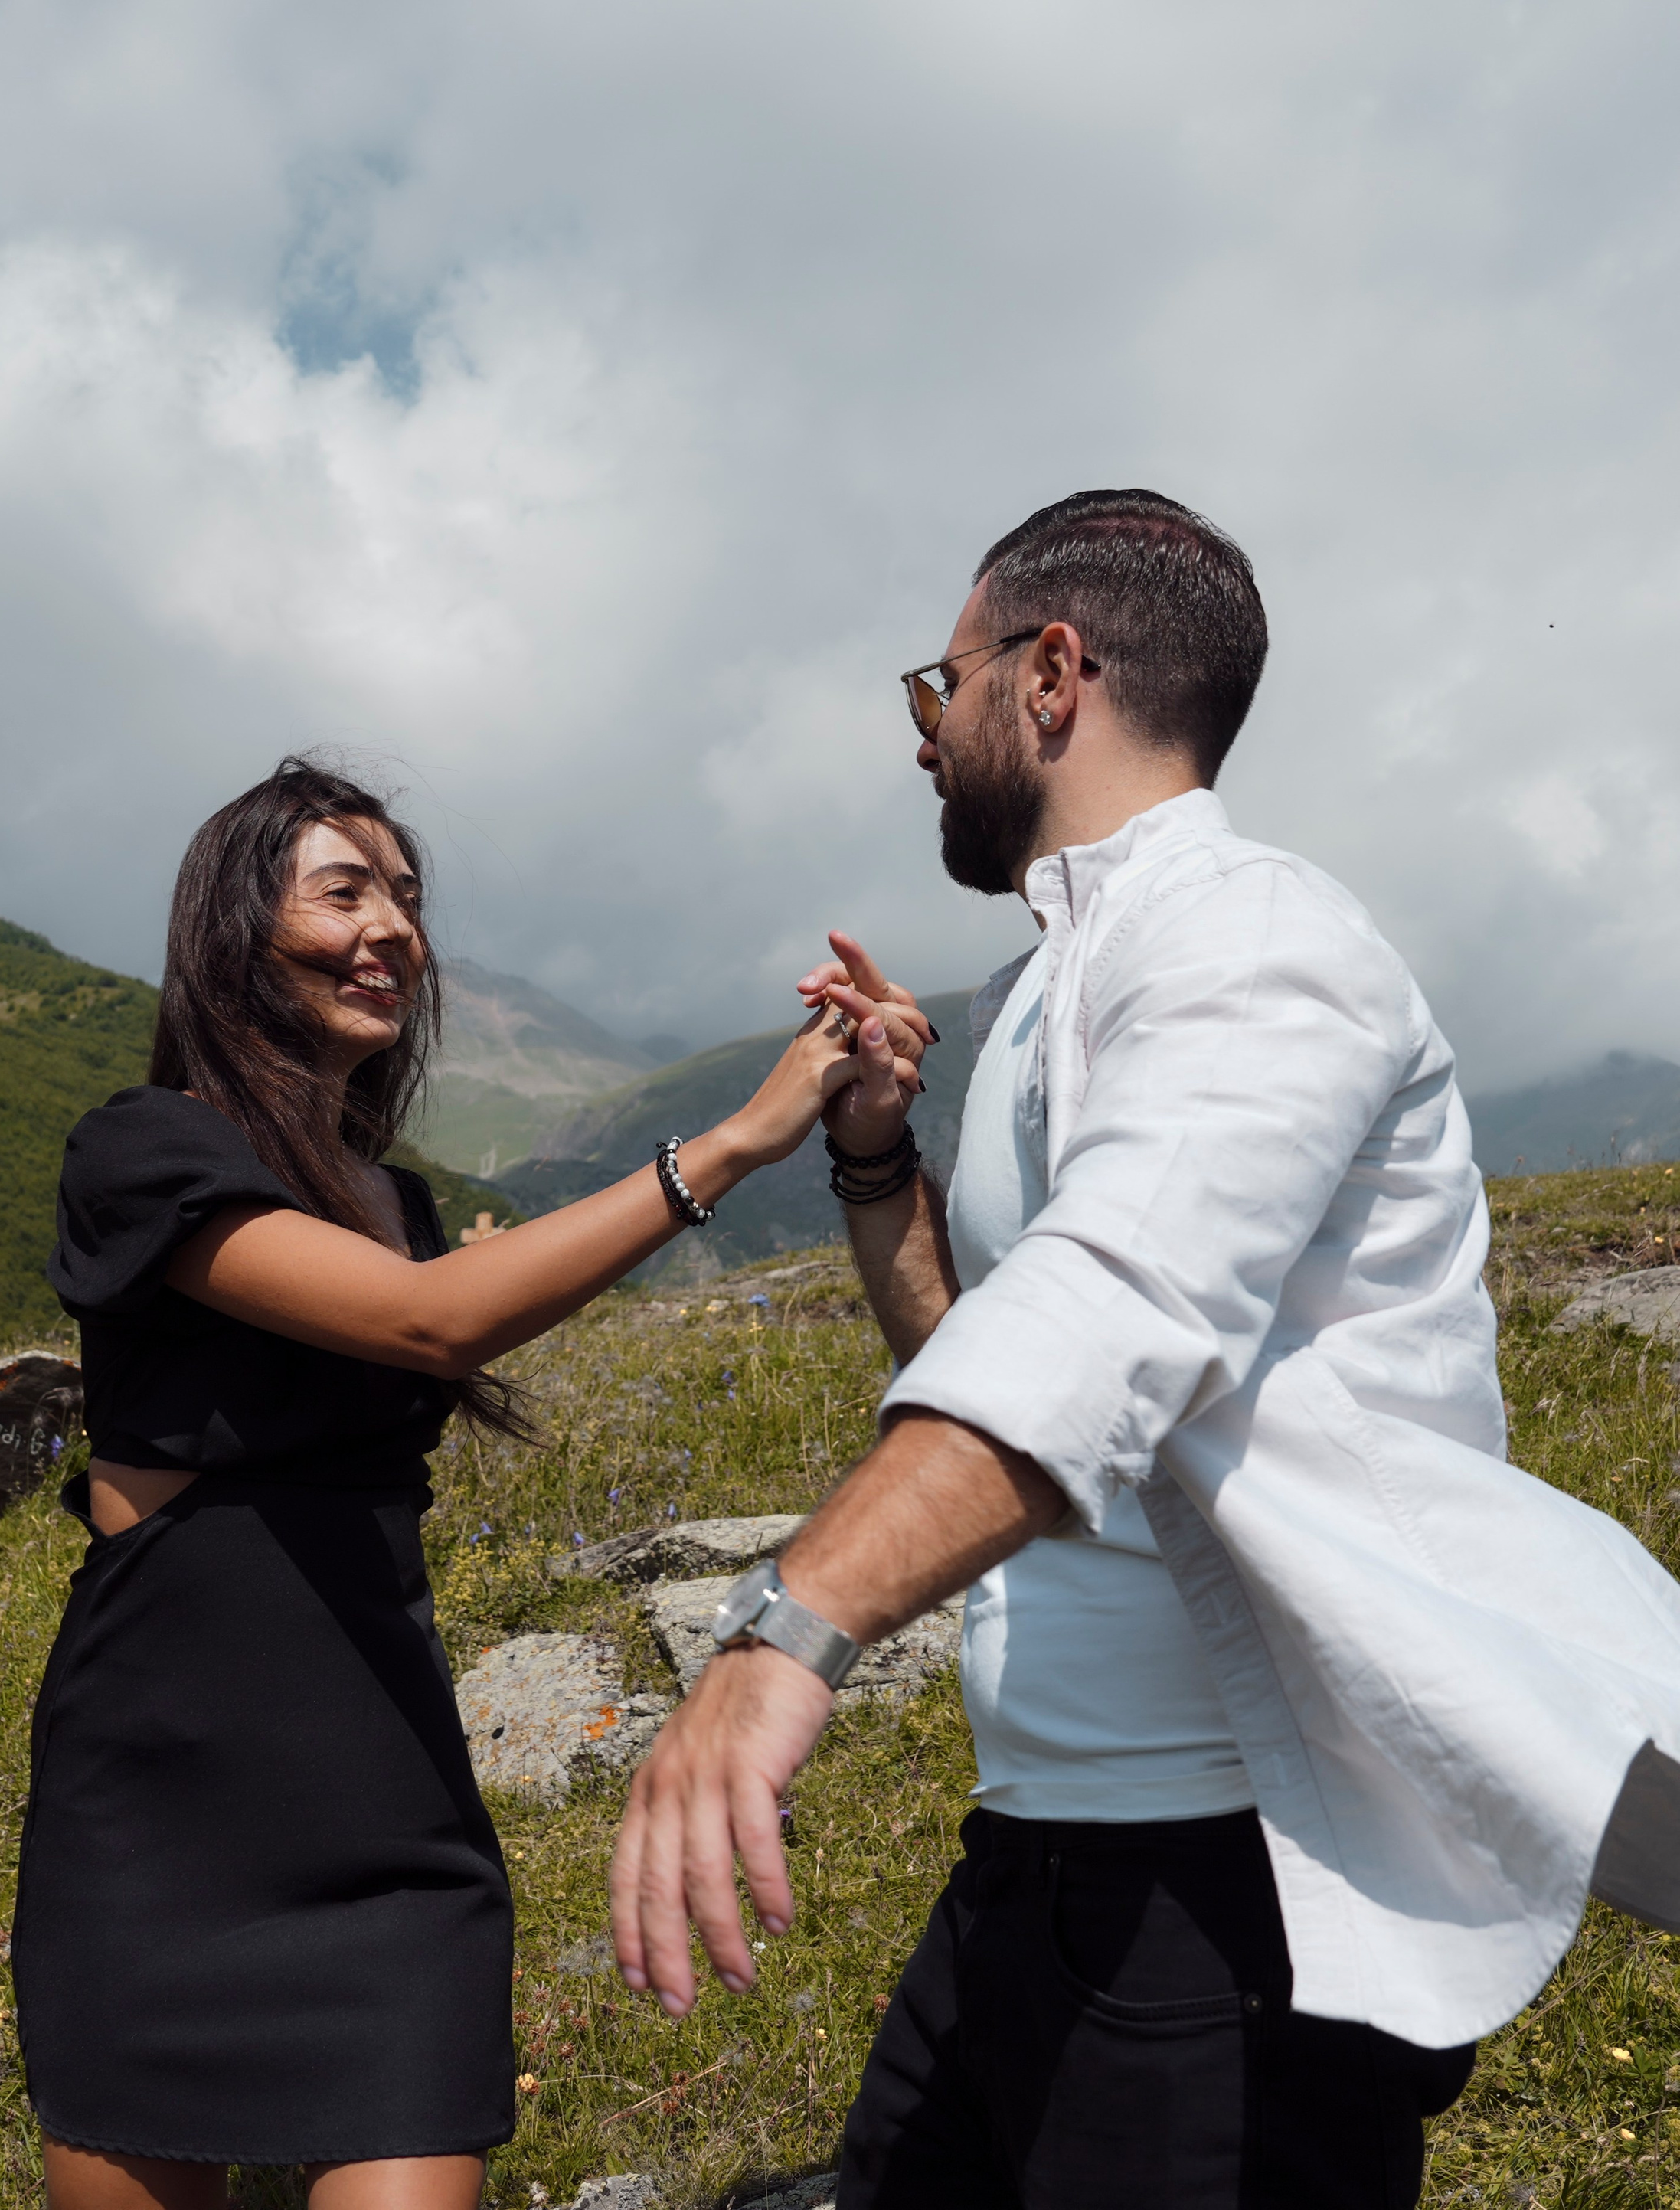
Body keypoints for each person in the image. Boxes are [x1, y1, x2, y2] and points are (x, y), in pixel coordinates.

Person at [610, 489, 1680, 2208]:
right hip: (1048, 1842)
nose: (919, 741)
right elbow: (998, 1359)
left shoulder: (1252, 939)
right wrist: (878, 1155)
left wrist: (785, 1629)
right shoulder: (1050, 982)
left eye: (929, 686)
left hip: (1228, 1882)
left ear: (1048, 674)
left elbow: (1108, 1323)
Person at [15, 757, 902, 2210]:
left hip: (385, 1804)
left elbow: (443, 1301)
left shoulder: (393, 1198)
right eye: (344, 892)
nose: (393, 932)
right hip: (165, 1807)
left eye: (409, 901)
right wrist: (733, 1146)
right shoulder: (145, 1149)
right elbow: (433, 1322)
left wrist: (861, 1131)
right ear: (236, 931)